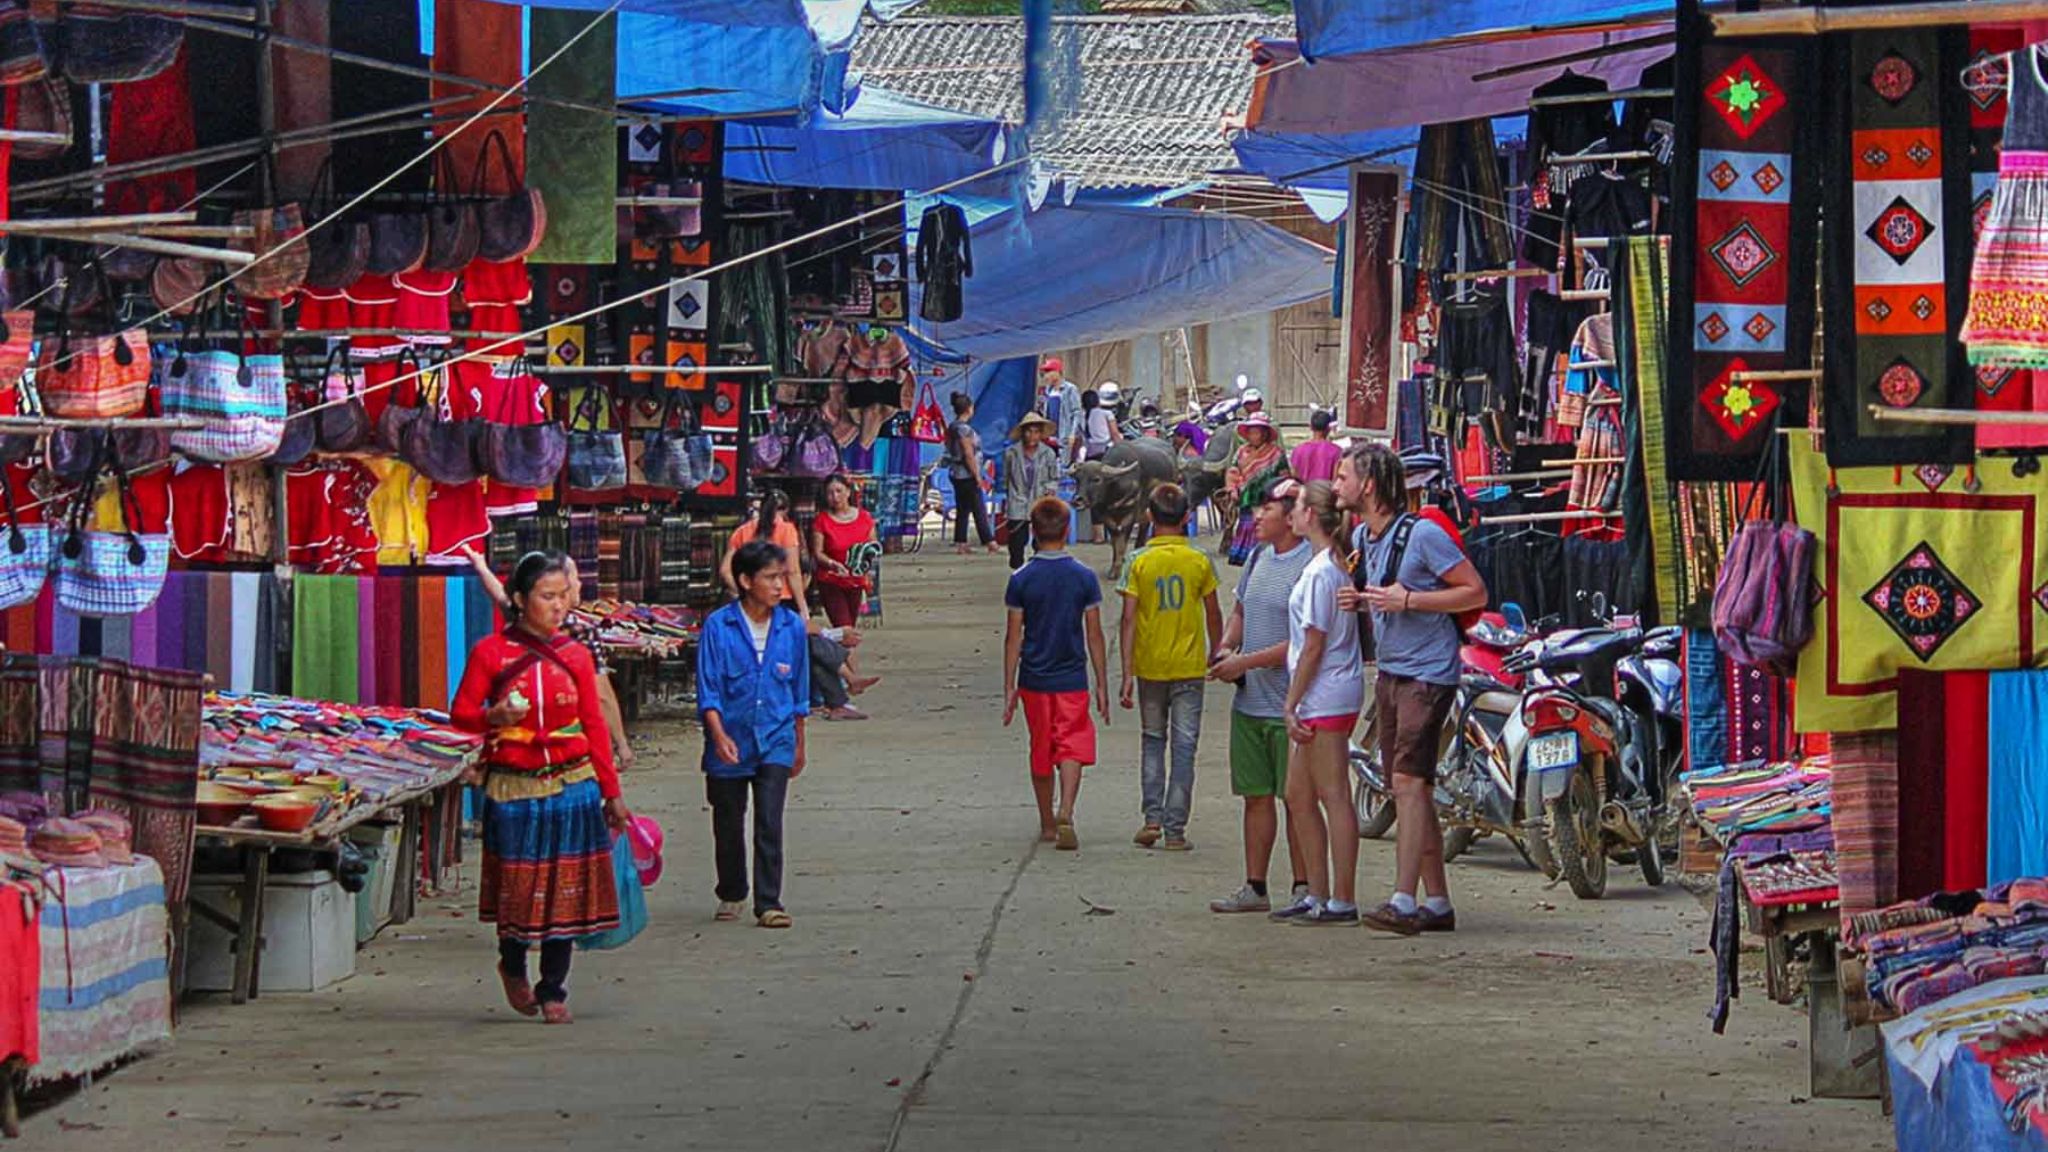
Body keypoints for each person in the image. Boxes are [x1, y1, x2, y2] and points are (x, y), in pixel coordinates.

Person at [450, 551, 631, 1024]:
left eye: (563, 596)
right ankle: (512, 965)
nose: (558, 606)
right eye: (547, 596)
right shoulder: (490, 653)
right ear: (518, 599)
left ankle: (554, 988)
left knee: (564, 893)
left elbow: (593, 725)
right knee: (518, 890)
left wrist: (611, 792)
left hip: (573, 786)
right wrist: (494, 716)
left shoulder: (576, 655)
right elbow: (460, 715)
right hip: (514, 789)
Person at [1335, 442, 1488, 935]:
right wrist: (1365, 602)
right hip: (1393, 670)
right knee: (1409, 787)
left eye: (1343, 476)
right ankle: (1437, 902)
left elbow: (1474, 591)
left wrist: (1410, 601)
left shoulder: (1422, 534)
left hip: (1427, 673)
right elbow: (1389, 594)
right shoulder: (1365, 535)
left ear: (1369, 485)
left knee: (1408, 783)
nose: (1337, 485)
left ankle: (1404, 899)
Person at [1206, 479, 1316, 913]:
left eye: (1265, 509)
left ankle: (1305, 886)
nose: (1256, 517)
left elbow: (1306, 641)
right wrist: (1226, 647)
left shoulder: (1312, 565)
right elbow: (1241, 611)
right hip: (1250, 702)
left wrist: (1244, 662)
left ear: (1291, 516)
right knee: (1255, 797)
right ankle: (1255, 886)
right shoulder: (1256, 558)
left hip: (1291, 705)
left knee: (1298, 801)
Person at [697, 539, 810, 929]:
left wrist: (799, 743)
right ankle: (732, 890)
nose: (780, 586)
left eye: (782, 577)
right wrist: (718, 735)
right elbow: (708, 689)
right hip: (729, 739)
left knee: (769, 821)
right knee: (728, 821)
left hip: (776, 736)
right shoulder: (719, 626)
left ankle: (769, 902)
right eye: (770, 578)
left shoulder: (791, 627)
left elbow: (799, 691)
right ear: (746, 581)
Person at [1271, 481, 1366, 926]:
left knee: (1332, 792)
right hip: (1323, 691)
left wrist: (1291, 703)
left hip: (1325, 691)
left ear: (1311, 515)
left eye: (1297, 506)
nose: (1290, 513)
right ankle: (1317, 891)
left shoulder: (1322, 572)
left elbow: (1313, 644)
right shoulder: (1328, 567)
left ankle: (1341, 897)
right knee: (1299, 793)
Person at [1116, 484, 1222, 852]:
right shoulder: (1199, 560)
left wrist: (1126, 672)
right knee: (1184, 746)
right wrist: (1218, 652)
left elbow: (1128, 619)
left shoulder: (1138, 561)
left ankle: (1152, 818)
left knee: (1152, 740)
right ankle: (1175, 830)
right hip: (1189, 667)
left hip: (1150, 667)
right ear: (1187, 517)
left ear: (1149, 516)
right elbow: (1213, 612)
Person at [1002, 496, 1110, 850]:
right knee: (1072, 743)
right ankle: (1067, 808)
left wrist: (1009, 686)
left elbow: (1013, 637)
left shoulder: (1021, 579)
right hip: (1072, 678)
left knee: (1040, 748)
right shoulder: (1083, 577)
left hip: (1034, 679)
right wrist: (1101, 683)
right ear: (1067, 531)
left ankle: (1048, 823)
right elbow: (1094, 634)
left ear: (1033, 532)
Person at [464, 546, 634, 771]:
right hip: (570, 749)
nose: (580, 584)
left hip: (518, 757)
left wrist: (481, 568)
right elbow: (601, 695)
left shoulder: (521, 619)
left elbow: (502, 597)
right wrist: (621, 743)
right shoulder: (580, 632)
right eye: (575, 578)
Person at [722, 489, 812, 618]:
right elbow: (792, 571)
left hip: (751, 599)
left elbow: (725, 571)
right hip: (781, 599)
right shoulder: (787, 530)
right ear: (786, 511)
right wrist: (803, 607)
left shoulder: (742, 531)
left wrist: (743, 591)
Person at [1218, 411, 1288, 566]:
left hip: (1267, 501)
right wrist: (1232, 489)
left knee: (1265, 531)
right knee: (1247, 526)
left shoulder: (1276, 454)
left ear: (1265, 434)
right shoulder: (1241, 452)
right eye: (1251, 432)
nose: (1253, 435)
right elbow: (1233, 472)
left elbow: (1284, 477)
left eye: (1257, 432)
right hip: (1246, 500)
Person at [811, 474, 879, 630]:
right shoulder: (822, 520)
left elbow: (873, 547)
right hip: (831, 580)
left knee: (849, 627)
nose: (835, 497)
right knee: (844, 626)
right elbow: (818, 552)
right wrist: (832, 564)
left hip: (856, 581)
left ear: (848, 492)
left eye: (839, 491)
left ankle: (840, 646)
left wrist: (865, 565)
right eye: (830, 493)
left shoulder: (864, 517)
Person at [1002, 411, 1062, 570]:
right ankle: (1018, 572)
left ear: (1041, 434)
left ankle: (1038, 571)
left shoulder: (1048, 453)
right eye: (1029, 431)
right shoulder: (1011, 453)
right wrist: (1007, 499)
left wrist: (1050, 490)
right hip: (1018, 499)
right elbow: (1006, 478)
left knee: (1041, 541)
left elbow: (1054, 478)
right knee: (1016, 542)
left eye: (1036, 432)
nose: (1032, 436)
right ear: (1023, 432)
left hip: (1040, 500)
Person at [944, 392, 997, 555]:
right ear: (969, 409)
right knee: (978, 507)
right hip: (966, 474)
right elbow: (968, 454)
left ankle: (961, 541)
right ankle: (989, 540)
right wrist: (977, 475)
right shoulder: (964, 430)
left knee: (963, 508)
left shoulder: (952, 427)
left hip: (956, 472)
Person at [1041, 357, 1082, 460]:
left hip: (1064, 435)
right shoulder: (1048, 391)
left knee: (1064, 462)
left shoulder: (1070, 389)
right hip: (1051, 435)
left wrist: (1073, 433)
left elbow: (1077, 412)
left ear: (1057, 372)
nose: (1046, 376)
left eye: (1049, 372)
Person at [1290, 408, 1343, 483]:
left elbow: (1294, 476)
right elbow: (1336, 479)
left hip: (1304, 489)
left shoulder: (1298, 450)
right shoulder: (1337, 451)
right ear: (1328, 428)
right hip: (1325, 490)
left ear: (1310, 427)